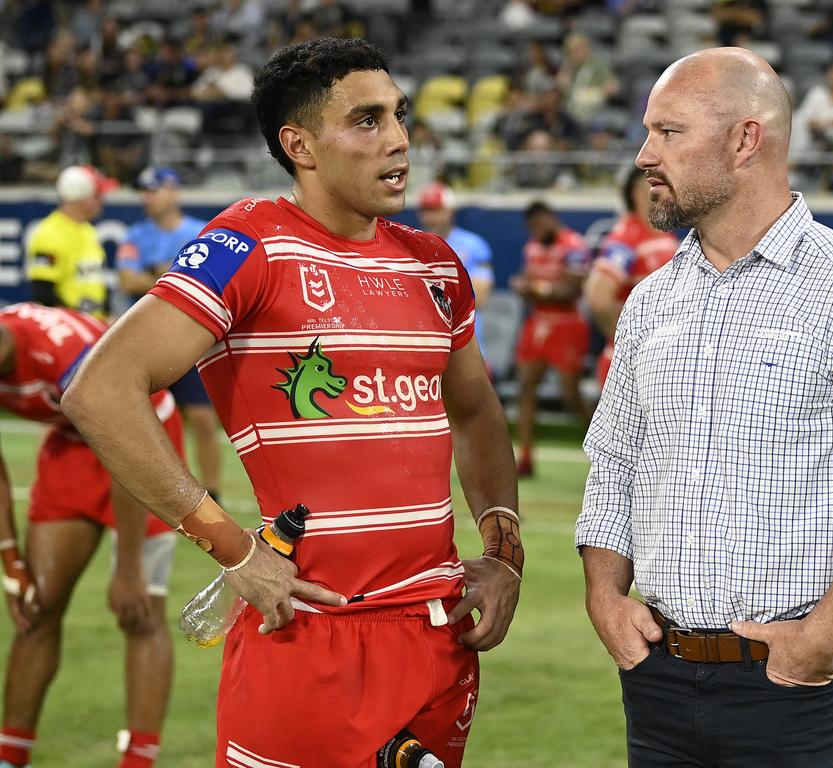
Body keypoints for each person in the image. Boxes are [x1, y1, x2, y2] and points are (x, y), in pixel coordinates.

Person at [61, 37, 522, 768]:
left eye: (400, 115)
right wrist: (231, 544)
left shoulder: (435, 264)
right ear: (299, 145)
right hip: (310, 635)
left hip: (439, 638)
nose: (400, 138)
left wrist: (505, 552)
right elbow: (100, 389)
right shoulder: (253, 243)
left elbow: (477, 412)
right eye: (367, 120)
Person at [576, 47, 833, 767]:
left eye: (669, 131)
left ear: (746, 139)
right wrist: (604, 596)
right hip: (655, 678)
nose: (643, 154)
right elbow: (615, 462)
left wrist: (819, 639)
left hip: (797, 687)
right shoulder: (652, 301)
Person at [0, 302, 185, 768]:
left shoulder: (59, 354)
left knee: (139, 611)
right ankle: (9, 755)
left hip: (145, 438)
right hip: (74, 440)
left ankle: (138, 759)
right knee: (36, 607)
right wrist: (10, 561)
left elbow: (122, 435)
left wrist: (128, 568)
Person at [116, 166, 224, 505]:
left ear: (173, 192)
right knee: (149, 424)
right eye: (144, 191)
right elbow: (127, 282)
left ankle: (214, 494)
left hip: (191, 342)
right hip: (149, 343)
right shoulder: (134, 236)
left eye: (154, 190)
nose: (148, 197)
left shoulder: (200, 232)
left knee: (204, 420)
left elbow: (211, 282)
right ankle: (166, 497)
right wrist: (176, 275)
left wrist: (156, 273)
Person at [511, 201, 591, 477]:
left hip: (567, 324)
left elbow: (573, 289)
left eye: (538, 224)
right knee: (526, 387)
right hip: (538, 322)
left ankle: (600, 452)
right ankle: (526, 456)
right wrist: (525, 288)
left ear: (550, 218)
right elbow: (528, 281)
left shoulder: (574, 245)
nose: (535, 230)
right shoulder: (531, 247)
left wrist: (540, 289)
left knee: (571, 393)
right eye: (531, 227)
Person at [584, 167, 678, 388]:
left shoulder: (662, 230)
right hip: (631, 364)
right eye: (655, 184)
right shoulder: (625, 239)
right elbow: (598, 296)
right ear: (637, 193)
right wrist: (627, 343)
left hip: (659, 357)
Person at [416, 182, 496, 367]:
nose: (430, 217)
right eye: (426, 210)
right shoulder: (410, 244)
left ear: (450, 211)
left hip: (465, 348)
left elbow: (480, 297)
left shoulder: (473, 245)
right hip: (424, 347)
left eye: (436, 210)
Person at [26, 164, 118, 318]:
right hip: (67, 326)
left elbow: (98, 280)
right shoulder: (48, 233)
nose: (102, 201)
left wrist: (107, 316)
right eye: (98, 195)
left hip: (94, 324)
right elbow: (43, 292)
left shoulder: (89, 231)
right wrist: (75, 323)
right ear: (84, 198)